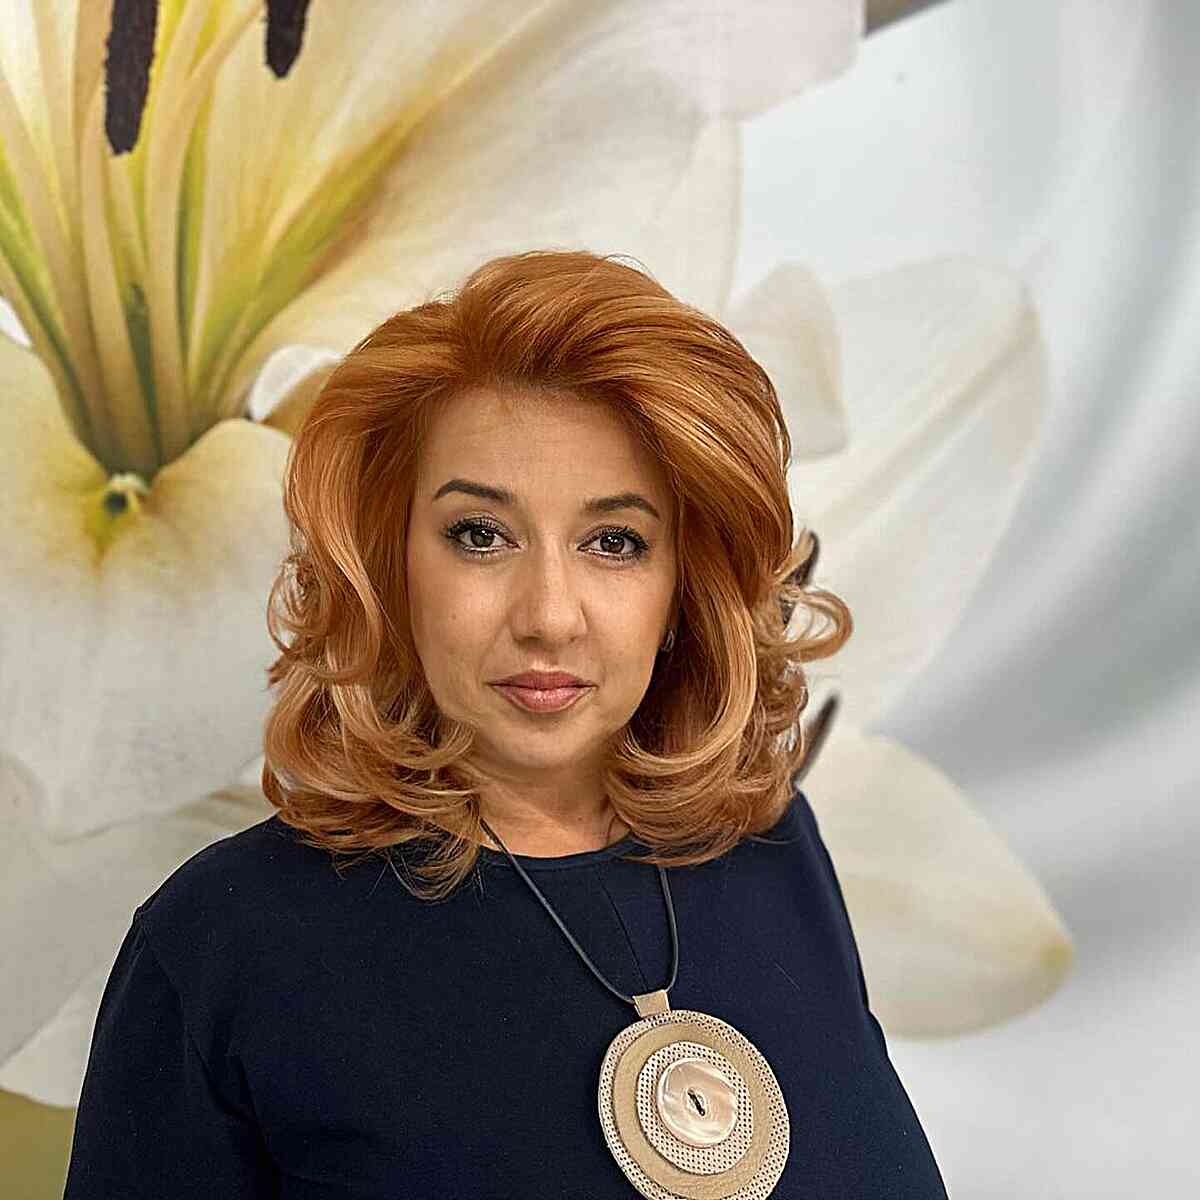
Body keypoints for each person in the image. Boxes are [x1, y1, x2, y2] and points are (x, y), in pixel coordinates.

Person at [63, 249, 949, 1198]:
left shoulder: (773, 845)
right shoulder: (224, 943)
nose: (550, 617)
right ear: (386, 565)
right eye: (480, 535)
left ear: (684, 586)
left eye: (615, 542)